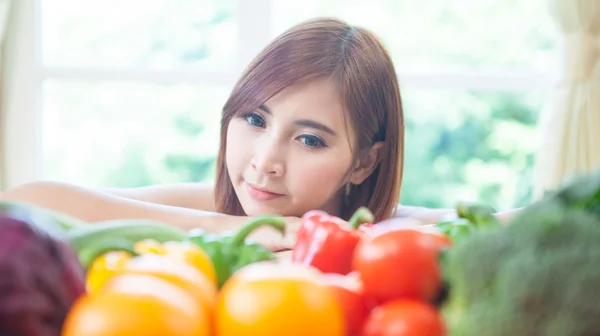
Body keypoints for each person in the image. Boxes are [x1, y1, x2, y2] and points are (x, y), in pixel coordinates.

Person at [0, 18, 518, 252]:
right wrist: (224, 228)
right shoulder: (222, 210)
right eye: (254, 119)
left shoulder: (384, 236)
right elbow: (22, 204)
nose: (265, 161)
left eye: (309, 140)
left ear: (364, 162)